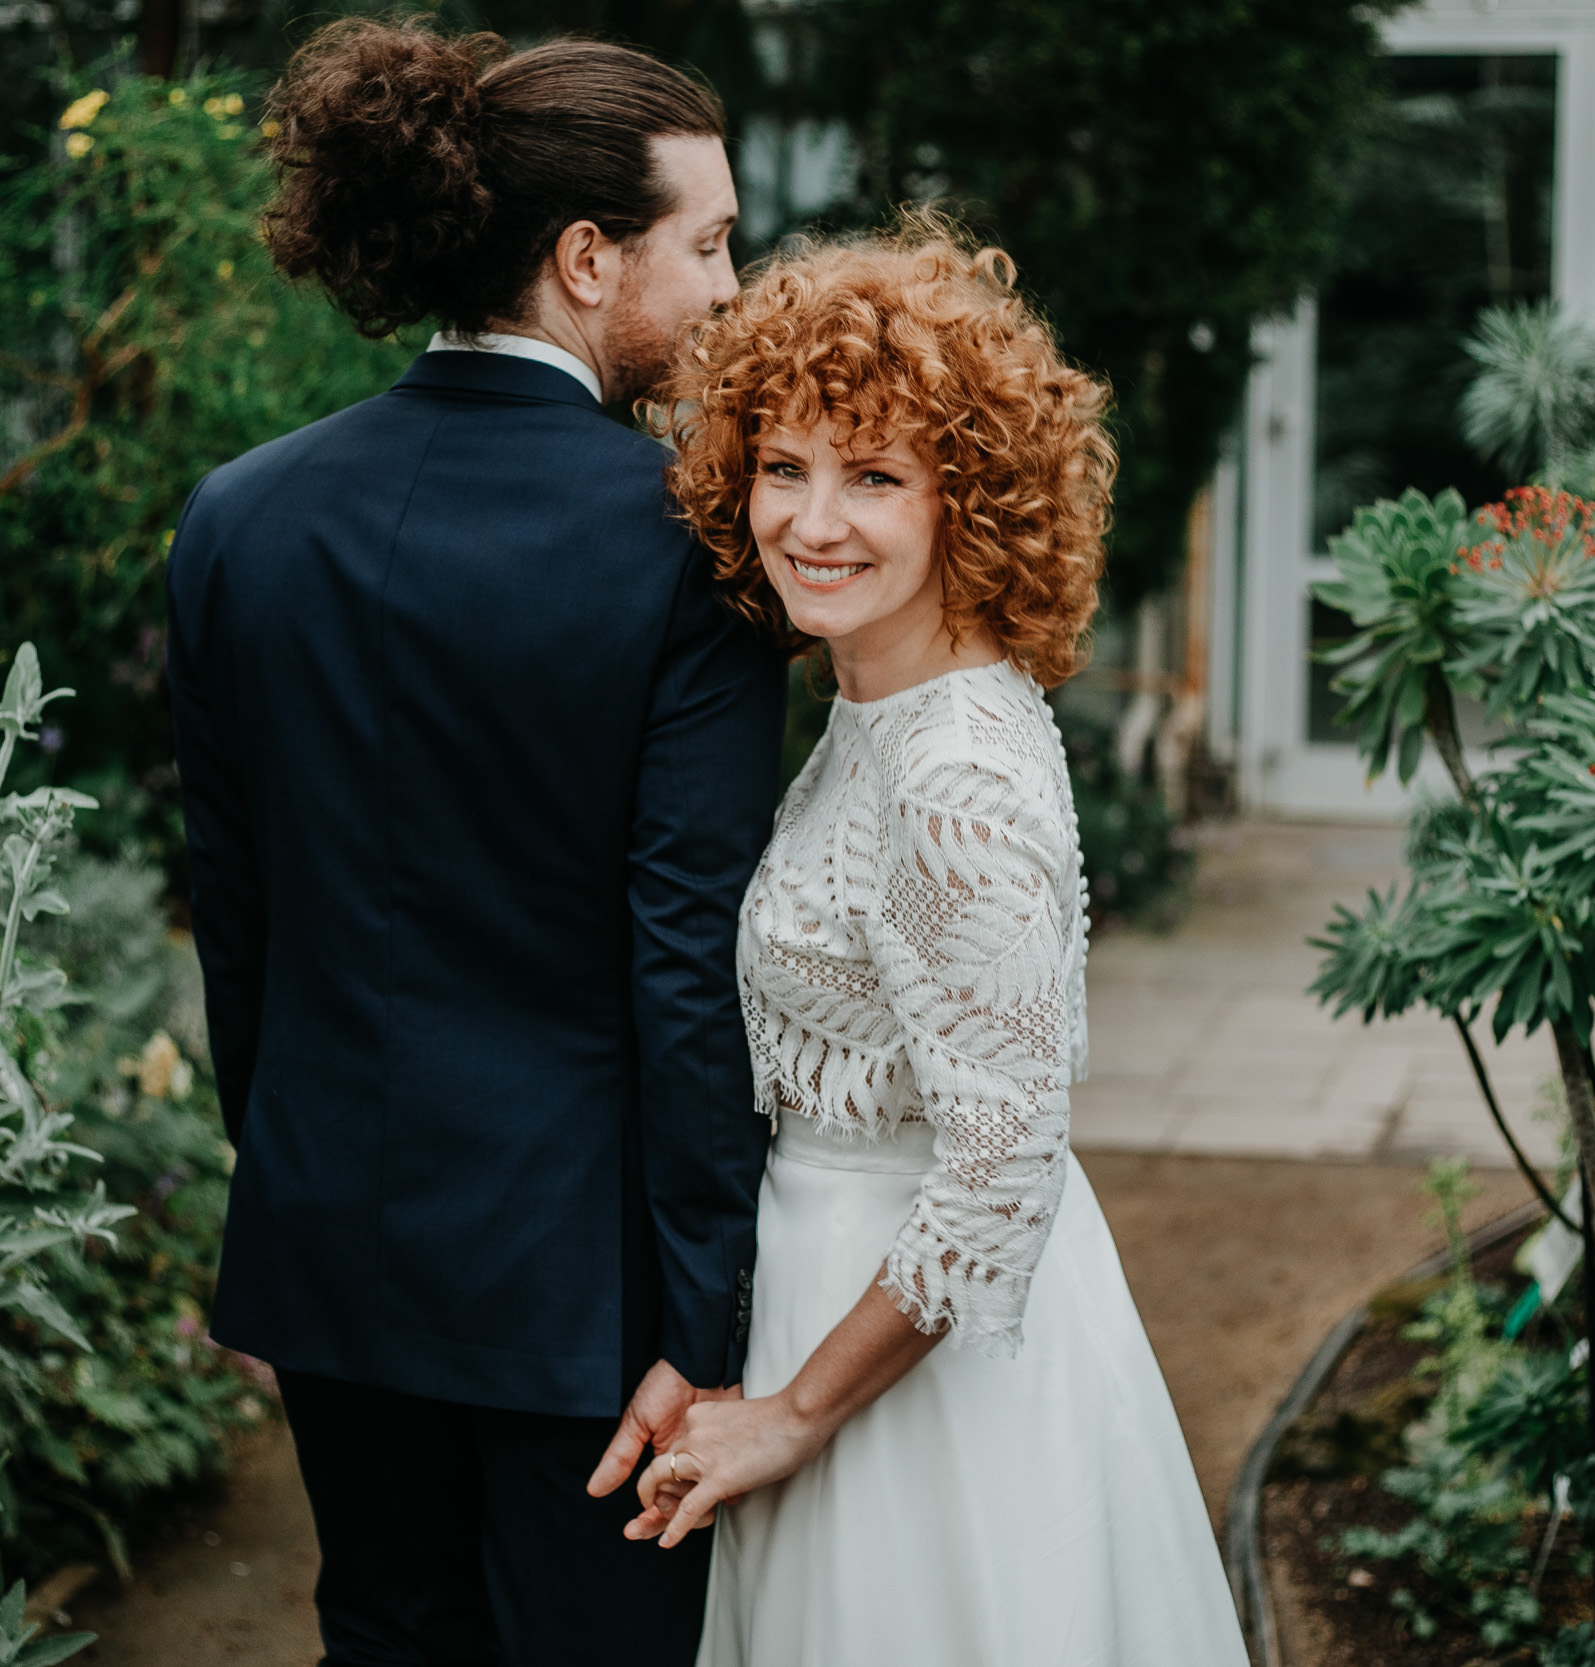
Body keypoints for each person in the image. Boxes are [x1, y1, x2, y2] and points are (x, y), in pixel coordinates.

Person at [164, 19, 781, 1665]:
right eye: (707, 243)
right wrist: (705, 1323)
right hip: (581, 1302)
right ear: (587, 259)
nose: (732, 287)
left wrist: (288, 1184)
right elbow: (687, 967)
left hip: (330, 1257)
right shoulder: (686, 557)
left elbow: (241, 924)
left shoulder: (238, 518)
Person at [634, 224, 1253, 1666]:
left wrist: (792, 1415)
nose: (813, 521)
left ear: (968, 502)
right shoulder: (878, 708)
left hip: (916, 1370)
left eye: (874, 476)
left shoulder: (955, 778)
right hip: (833, 1295)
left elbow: (998, 1171)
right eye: (783, 467)